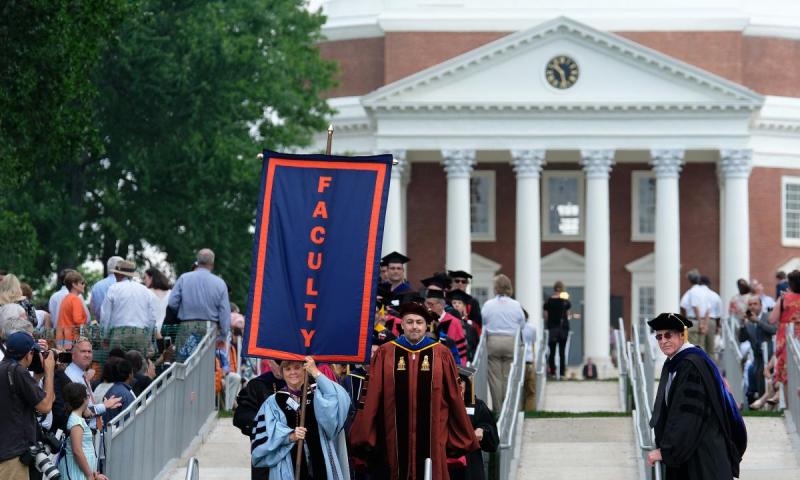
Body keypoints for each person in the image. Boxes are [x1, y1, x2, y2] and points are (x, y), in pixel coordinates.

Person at [350, 302, 479, 479]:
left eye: (419, 322)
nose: (414, 326)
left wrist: (459, 433)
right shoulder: (385, 353)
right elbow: (371, 396)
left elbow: (454, 398)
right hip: (392, 438)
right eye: (409, 322)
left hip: (433, 438)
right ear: (401, 325)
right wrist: (366, 432)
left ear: (427, 326)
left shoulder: (441, 354)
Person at [647, 313, 745, 478]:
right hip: (696, 454)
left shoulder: (691, 365)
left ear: (682, 335)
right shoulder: (678, 362)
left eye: (668, 335)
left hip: (703, 459)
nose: (663, 341)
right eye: (659, 336)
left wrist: (667, 451)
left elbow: (688, 416)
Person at [251, 356, 350, 479]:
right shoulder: (274, 402)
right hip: (288, 467)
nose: (292, 372)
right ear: (282, 373)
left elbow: (339, 398)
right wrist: (289, 436)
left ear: (305, 370)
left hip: (321, 462)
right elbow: (264, 437)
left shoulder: (318, 395)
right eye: (287, 369)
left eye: (297, 368)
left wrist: (316, 372)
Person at [0, 332, 55, 480]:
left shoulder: (4, 368)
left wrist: (37, 378)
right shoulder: (18, 371)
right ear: (29, 354)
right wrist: (49, 371)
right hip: (13, 457)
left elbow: (16, 399)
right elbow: (46, 406)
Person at [168, 248, 231, 358]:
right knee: (205, 366)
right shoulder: (220, 283)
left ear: (197, 261)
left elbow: (172, 303)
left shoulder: (184, 278)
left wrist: (184, 311)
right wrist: (223, 336)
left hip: (187, 327)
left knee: (184, 364)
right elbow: (225, 313)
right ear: (212, 263)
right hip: (209, 330)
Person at [234, 359, 286, 480]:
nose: (282, 368)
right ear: (270, 362)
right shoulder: (259, 384)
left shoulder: (305, 385)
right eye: (278, 364)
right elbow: (241, 417)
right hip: (266, 452)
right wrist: (267, 425)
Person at [482, 274, 526, 410]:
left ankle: (498, 408)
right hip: (510, 341)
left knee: (495, 378)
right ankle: (509, 407)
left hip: (493, 340)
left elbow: (483, 320)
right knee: (509, 375)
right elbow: (522, 323)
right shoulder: (516, 304)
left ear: (496, 288)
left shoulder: (488, 304)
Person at [449, 366, 498, 480]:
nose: (458, 385)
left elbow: (491, 433)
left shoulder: (476, 406)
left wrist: (482, 430)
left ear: (466, 383)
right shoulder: (438, 405)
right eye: (453, 382)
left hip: (470, 464)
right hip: (445, 463)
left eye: (460, 381)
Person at [64, 337, 122, 432]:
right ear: (73, 355)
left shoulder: (82, 375)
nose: (87, 355)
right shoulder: (70, 375)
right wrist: (104, 406)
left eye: (89, 352)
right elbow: (79, 410)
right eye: (83, 351)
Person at [100, 259, 158, 354]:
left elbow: (105, 316)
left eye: (116, 273)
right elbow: (152, 318)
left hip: (118, 334)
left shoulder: (113, 288)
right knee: (139, 366)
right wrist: (147, 338)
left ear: (120, 274)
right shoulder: (145, 290)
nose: (114, 275)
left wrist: (105, 337)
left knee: (118, 366)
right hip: (140, 334)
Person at [58, 382, 109, 480]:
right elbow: (77, 451)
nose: (89, 398)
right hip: (77, 472)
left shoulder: (78, 419)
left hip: (82, 471)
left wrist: (94, 475)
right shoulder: (76, 421)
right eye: (87, 395)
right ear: (83, 399)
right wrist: (90, 475)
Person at [738, 296, 776, 406]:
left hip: (770, 356)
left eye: (755, 304)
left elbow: (773, 330)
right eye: (750, 304)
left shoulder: (767, 316)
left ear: (760, 306)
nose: (752, 307)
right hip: (757, 358)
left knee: (761, 374)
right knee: (755, 374)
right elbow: (741, 338)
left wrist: (758, 321)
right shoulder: (748, 322)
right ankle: (760, 402)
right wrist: (743, 324)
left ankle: (766, 403)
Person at [769, 269, 800, 389]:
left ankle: (789, 408)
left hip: (787, 338)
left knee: (786, 376)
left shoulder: (784, 298)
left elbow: (772, 319)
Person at [426, 289, 468, 365]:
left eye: (431, 304)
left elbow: (461, 350)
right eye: (427, 304)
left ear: (441, 305)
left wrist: (461, 371)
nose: (428, 308)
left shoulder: (454, 322)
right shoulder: (425, 321)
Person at [680, 269, 713, 354]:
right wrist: (705, 324)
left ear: (690, 280)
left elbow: (691, 306)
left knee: (691, 348)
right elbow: (708, 309)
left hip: (694, 321)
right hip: (703, 321)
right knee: (701, 348)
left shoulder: (691, 292)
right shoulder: (706, 291)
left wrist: (700, 323)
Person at [543, 281, 571, 378]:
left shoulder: (548, 301)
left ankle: (553, 372)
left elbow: (546, 316)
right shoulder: (565, 301)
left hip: (552, 329)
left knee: (552, 352)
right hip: (563, 329)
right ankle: (562, 373)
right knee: (562, 352)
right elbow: (567, 314)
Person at [57, 270, 89, 347]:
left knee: (63, 359)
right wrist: (87, 335)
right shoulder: (75, 299)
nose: (84, 285)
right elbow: (78, 321)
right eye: (82, 283)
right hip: (71, 339)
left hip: (61, 338)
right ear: (74, 284)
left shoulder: (66, 298)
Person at [89, 256, 124, 324]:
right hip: (121, 328)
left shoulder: (96, 286)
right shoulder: (125, 285)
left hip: (102, 327)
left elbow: (92, 310)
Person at [103, 358, 136, 424]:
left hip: (107, 431)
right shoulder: (127, 395)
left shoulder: (109, 390)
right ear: (130, 375)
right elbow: (128, 421)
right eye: (132, 372)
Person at [144, 266, 172, 335]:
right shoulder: (170, 293)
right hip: (168, 330)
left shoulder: (146, 292)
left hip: (152, 331)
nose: (144, 280)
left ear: (151, 278)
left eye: (145, 277)